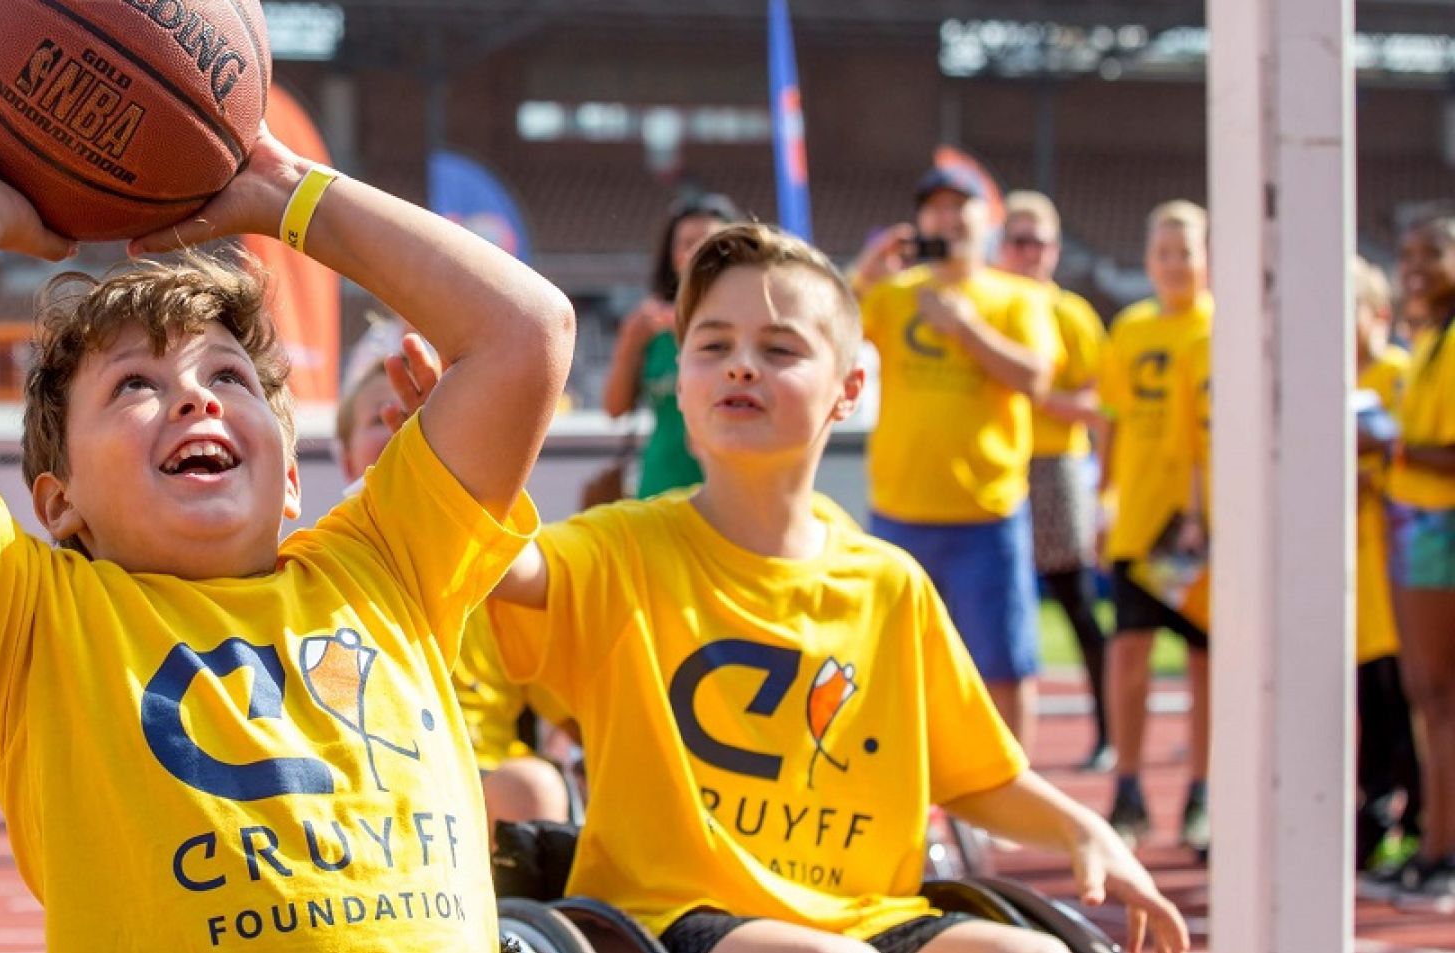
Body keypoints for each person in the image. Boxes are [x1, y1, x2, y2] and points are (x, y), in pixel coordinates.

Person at [0, 81, 572, 948]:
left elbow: (528, 331)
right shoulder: (28, 624)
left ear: (290, 479)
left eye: (229, 377)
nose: (197, 399)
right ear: (60, 501)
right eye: (135, 384)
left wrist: (288, 192)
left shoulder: (386, 564)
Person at [479, 222, 1185, 953]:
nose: (741, 367)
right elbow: (500, 561)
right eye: (713, 346)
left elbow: (974, 775)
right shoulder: (619, 548)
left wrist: (1085, 830)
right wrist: (448, 433)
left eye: (779, 349)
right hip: (669, 916)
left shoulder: (890, 584)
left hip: (870, 916)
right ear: (680, 384)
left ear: (849, 390)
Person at [849, 166, 1058, 747]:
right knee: (891, 668)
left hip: (984, 517)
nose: (947, 219)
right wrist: (861, 277)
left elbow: (1037, 379)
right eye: (935, 208)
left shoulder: (1015, 296)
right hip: (900, 513)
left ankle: (1009, 784)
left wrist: (966, 329)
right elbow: (822, 339)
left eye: (959, 206)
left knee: (1003, 668)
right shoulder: (893, 294)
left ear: (985, 218)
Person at [336, 357, 570, 828]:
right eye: (381, 417)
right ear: (345, 458)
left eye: (425, 419)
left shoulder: (502, 573)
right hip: (374, 778)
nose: (406, 432)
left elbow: (574, 715)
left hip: (483, 780)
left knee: (532, 785)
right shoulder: (320, 571)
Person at [1096, 201, 1214, 855]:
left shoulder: (1220, 327)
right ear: (1147, 259)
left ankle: (1202, 791)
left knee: (1206, 662)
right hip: (1141, 524)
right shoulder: (1131, 329)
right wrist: (1103, 497)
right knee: (1128, 653)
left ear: (1206, 258)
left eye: (1185, 251)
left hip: (1203, 528)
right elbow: (1110, 418)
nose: (1174, 264)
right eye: (1163, 252)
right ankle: (1128, 789)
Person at [992, 191, 1113, 772]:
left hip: (1055, 465)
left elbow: (1099, 405)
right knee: (993, 613)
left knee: (1076, 604)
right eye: (1018, 241)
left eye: (1038, 242)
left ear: (1056, 249)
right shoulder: (987, 303)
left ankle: (1109, 733)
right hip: (996, 465)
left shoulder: (1073, 315)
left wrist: (1036, 391)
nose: (1028, 252)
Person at [1378, 215, 1455, 910]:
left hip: (1438, 528)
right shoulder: (1428, 340)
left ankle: (1443, 851)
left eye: (1434, 252)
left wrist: (1389, 447)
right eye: (1408, 254)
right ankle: (1434, 843)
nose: (1417, 265)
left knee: (1440, 695)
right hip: (1417, 526)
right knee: (1428, 696)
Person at [1350, 257, 1422, 877]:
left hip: (1400, 569)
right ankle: (1374, 817)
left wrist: (1375, 467)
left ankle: (1416, 822)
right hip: (1357, 579)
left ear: (1376, 314)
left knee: (1407, 707)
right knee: (1372, 706)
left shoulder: (1399, 374)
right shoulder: (1326, 380)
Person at [604, 193, 743, 499]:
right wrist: (629, 343)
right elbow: (615, 409)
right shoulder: (650, 324)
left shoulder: (750, 322)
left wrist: (693, 334)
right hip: (659, 488)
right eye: (687, 243)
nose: (696, 254)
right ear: (671, 254)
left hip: (729, 492)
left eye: (710, 244)